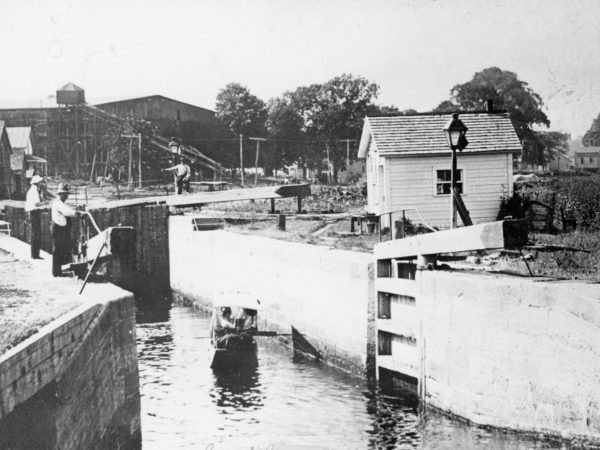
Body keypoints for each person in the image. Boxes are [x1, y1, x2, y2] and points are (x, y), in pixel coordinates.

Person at [51, 183, 82, 277]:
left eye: (67, 194)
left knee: (61, 249)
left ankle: (58, 270)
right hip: (58, 228)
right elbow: (67, 212)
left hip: (61, 228)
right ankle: (56, 272)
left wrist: (76, 210)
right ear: (60, 194)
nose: (66, 196)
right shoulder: (58, 203)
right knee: (57, 250)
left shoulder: (61, 203)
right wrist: (78, 213)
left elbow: (67, 209)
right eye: (64, 194)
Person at [25, 175, 45, 259]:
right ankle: (34, 254)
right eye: (40, 182)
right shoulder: (34, 191)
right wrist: (45, 203)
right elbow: (37, 203)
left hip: (34, 212)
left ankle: (35, 254)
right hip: (34, 213)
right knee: (36, 233)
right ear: (37, 183)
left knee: (36, 233)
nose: (41, 183)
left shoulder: (33, 190)